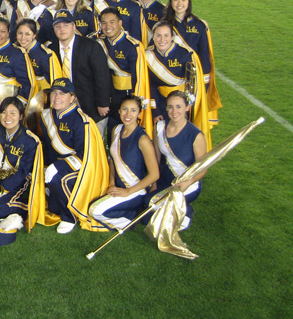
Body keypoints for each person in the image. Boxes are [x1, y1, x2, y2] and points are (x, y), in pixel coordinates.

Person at [40, 78, 109, 233]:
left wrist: (57, 167)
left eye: (62, 94)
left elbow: (85, 155)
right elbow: (48, 147)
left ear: (72, 98)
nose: (57, 97)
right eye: (54, 93)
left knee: (59, 179)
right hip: (56, 164)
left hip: (82, 167)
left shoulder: (82, 121)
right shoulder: (46, 115)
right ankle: (57, 202)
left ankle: (70, 216)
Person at [0, 96, 46, 243]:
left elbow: (22, 172)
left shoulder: (30, 141)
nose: (7, 117)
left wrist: (1, 189)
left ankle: (25, 206)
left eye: (13, 113)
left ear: (21, 116)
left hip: (16, 182)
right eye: (4, 112)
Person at [89, 95, 159, 230]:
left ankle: (129, 219)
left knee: (95, 210)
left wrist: (128, 191)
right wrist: (111, 182)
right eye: (125, 109)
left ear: (139, 112)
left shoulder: (142, 139)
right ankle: (128, 214)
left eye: (133, 110)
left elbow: (154, 174)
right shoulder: (116, 129)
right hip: (117, 186)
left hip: (135, 191)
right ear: (119, 111)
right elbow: (112, 160)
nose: (128, 114)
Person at [142, 91, 207, 230]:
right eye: (170, 107)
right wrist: (153, 183)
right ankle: (179, 209)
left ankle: (186, 212)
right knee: (147, 208)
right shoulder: (159, 127)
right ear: (166, 108)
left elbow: (203, 169)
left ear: (187, 107)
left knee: (151, 205)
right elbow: (156, 158)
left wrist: (187, 183)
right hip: (165, 179)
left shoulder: (196, 135)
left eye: (178, 106)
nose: (174, 111)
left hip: (188, 184)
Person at [144, 22, 210, 148]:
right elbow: (149, 85)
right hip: (162, 104)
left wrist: (188, 106)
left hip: (182, 105)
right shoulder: (147, 55)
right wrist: (155, 110)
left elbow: (195, 85)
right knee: (163, 139)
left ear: (172, 37)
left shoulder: (186, 54)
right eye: (158, 36)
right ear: (153, 36)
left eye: (166, 35)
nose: (162, 40)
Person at [163, 0, 221, 127]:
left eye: (183, 0)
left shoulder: (199, 25)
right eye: (176, 0)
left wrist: (205, 84)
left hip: (193, 79)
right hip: (171, 77)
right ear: (171, 2)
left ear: (189, 3)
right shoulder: (164, 24)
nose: (179, 3)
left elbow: (204, 57)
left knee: (191, 120)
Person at [48, 10, 111, 129]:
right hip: (63, 104)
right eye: (58, 26)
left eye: (66, 25)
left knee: (92, 142)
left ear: (73, 26)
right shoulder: (51, 49)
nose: (62, 29)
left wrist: (103, 103)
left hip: (90, 104)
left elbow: (102, 76)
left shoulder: (91, 46)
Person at [97, 8, 152, 141]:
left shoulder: (133, 45)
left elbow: (139, 78)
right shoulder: (100, 43)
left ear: (120, 23)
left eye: (112, 22)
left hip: (128, 94)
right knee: (112, 132)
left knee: (129, 134)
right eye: (103, 23)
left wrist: (135, 103)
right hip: (111, 96)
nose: (108, 26)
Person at [14, 18, 60, 93]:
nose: (23, 38)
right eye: (20, 33)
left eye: (27, 34)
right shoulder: (14, 50)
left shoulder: (46, 55)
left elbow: (55, 84)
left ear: (34, 35)